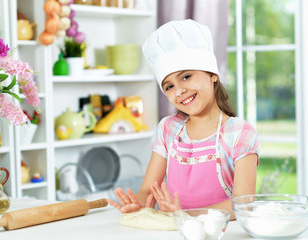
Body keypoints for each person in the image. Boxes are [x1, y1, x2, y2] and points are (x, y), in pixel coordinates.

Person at [107, 19, 260, 219]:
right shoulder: (168, 129)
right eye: (169, 86)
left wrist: (186, 215)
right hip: (174, 231)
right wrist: (140, 205)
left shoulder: (239, 132)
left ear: (212, 74)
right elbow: (147, 190)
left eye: (186, 76)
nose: (179, 90)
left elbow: (244, 202)